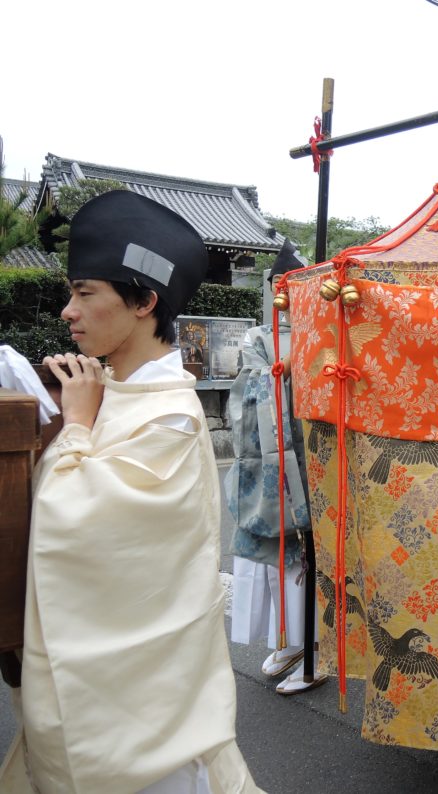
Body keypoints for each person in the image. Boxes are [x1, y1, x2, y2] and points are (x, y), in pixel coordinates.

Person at [0, 191, 262, 792]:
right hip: (125, 682)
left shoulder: (168, 416)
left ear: (145, 302)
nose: (68, 311)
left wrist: (77, 426)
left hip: (143, 698)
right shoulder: (118, 391)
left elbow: (78, 524)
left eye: (86, 293)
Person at [225, 239, 325, 695]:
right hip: (272, 455)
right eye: (278, 286)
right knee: (276, 554)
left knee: (317, 555)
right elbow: (250, 390)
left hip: (317, 454)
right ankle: (289, 640)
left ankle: (320, 649)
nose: (284, 295)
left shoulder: (324, 332)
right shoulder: (258, 337)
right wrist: (277, 377)